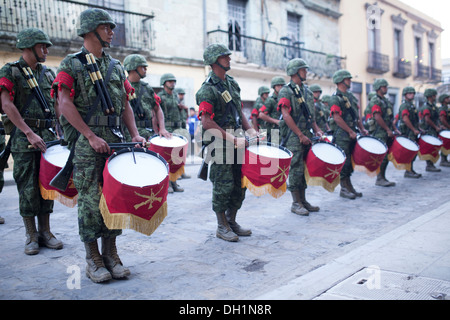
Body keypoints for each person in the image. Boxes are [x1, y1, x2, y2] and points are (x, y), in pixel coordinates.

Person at [52, 8, 146, 283]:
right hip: (87, 142)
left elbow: (125, 105)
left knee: (115, 198)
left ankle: (112, 254)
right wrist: (90, 136)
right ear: (91, 31)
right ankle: (93, 258)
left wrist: (136, 134)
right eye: (107, 27)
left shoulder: (116, 67)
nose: (112, 32)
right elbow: (64, 103)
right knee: (91, 202)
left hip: (116, 141)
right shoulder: (71, 65)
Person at [0, 28, 62, 254]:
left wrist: (61, 130)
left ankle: (46, 232)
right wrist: (28, 132)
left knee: (47, 184)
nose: (46, 50)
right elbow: (7, 105)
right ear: (28, 47)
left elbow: (57, 103)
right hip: (24, 139)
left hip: (47, 138)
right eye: (42, 46)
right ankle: (31, 235)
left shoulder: (48, 74)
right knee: (27, 187)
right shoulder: (10, 71)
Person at [195, 43, 257, 242]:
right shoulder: (207, 90)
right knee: (223, 185)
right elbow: (206, 121)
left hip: (238, 140)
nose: (229, 59)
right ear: (214, 61)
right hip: (220, 144)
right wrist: (232, 138)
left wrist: (251, 132)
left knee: (240, 183)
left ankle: (231, 220)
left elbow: (239, 112)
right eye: (225, 57)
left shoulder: (231, 83)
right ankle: (221, 225)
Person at [278, 58, 323, 216]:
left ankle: (303, 200)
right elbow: (285, 114)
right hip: (293, 135)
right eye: (303, 69)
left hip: (306, 134)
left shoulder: (307, 92)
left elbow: (311, 116)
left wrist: (316, 130)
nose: (306, 72)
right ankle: (295, 202)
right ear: (295, 72)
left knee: (304, 169)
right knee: (296, 169)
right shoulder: (286, 91)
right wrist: (300, 134)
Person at [328, 70, 368, 199]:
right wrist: (350, 131)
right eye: (347, 79)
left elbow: (355, 115)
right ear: (341, 81)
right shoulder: (335, 97)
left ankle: (349, 185)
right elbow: (337, 117)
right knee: (344, 162)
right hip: (342, 134)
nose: (350, 81)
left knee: (350, 162)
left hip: (352, 133)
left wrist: (361, 128)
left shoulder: (350, 96)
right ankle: (344, 188)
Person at [122, 54, 170, 141]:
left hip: (148, 133)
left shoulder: (147, 88)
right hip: (130, 135)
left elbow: (158, 108)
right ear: (133, 67)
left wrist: (162, 128)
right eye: (143, 67)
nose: (146, 70)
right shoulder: (122, 86)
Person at [367, 79, 399, 187]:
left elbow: (389, 118)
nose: (386, 88)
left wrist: (393, 128)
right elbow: (377, 117)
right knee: (382, 156)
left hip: (387, 131)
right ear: (379, 88)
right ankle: (379, 178)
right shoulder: (375, 100)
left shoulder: (386, 101)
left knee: (387, 156)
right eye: (384, 86)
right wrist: (387, 129)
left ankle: (382, 177)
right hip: (380, 132)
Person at [158, 73, 185, 191]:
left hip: (176, 129)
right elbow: (157, 114)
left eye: (173, 81)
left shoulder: (175, 96)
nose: (172, 83)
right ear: (164, 83)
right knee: (166, 158)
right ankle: (167, 184)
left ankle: (174, 182)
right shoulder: (160, 96)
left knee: (175, 158)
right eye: (169, 81)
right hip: (166, 130)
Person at [398, 86, 423, 178]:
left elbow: (415, 120)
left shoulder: (411, 105)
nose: (412, 95)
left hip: (413, 131)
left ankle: (410, 169)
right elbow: (405, 119)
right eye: (409, 93)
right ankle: (408, 171)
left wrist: (419, 129)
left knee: (414, 151)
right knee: (410, 152)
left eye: (413, 93)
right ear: (405, 95)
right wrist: (414, 130)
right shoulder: (405, 105)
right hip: (408, 132)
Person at [420, 88, 443, 172]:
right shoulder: (426, 107)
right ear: (429, 96)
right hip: (429, 129)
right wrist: (436, 127)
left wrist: (439, 125)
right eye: (434, 95)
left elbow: (436, 118)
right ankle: (429, 165)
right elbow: (427, 119)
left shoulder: (433, 106)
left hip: (433, 129)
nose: (435, 97)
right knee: (430, 147)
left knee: (433, 147)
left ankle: (431, 164)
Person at [258, 76, 285, 143]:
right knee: (274, 150)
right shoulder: (270, 100)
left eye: (282, 85)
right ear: (274, 87)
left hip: (284, 130)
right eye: (278, 86)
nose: (280, 87)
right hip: (274, 131)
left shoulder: (285, 98)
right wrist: (276, 121)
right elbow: (261, 115)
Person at [438, 93, 450, 167]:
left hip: (447, 128)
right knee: (445, 144)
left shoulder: (446, 108)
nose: (449, 99)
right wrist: (448, 126)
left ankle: (445, 159)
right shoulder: (443, 109)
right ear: (443, 100)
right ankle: (443, 160)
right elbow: (442, 119)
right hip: (445, 129)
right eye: (447, 98)